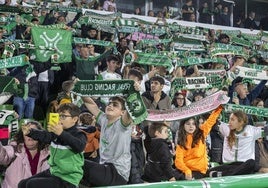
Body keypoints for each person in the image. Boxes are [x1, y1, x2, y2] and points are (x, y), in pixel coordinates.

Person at [18, 103, 87, 188]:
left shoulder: (79, 134)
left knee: (32, 184)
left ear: (75, 119)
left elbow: (79, 146)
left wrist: (61, 133)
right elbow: (45, 135)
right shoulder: (56, 132)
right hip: (54, 172)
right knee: (22, 184)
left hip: (68, 179)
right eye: (59, 116)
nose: (59, 119)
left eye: (63, 116)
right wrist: (30, 132)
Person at [81, 96, 133, 186]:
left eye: (115, 105)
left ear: (123, 112)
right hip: (104, 169)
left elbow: (130, 112)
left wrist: (133, 94)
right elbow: (90, 103)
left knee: (79, 163)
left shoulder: (123, 124)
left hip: (117, 173)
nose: (110, 106)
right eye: (109, 103)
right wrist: (78, 87)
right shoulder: (104, 119)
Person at [207, 110, 268, 177]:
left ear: (241, 122)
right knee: (209, 171)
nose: (229, 122)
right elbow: (211, 120)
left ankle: (223, 174)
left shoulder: (251, 131)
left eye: (232, 120)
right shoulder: (226, 128)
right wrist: (217, 109)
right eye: (229, 119)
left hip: (244, 165)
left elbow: (266, 130)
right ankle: (229, 174)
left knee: (251, 163)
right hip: (229, 165)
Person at [174, 105, 223, 180]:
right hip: (185, 170)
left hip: (199, 171)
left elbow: (211, 121)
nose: (191, 126)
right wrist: (187, 170)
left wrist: (219, 108)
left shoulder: (201, 133)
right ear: (183, 126)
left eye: (193, 124)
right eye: (188, 124)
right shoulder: (181, 141)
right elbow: (178, 161)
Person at [0, 121, 49, 188]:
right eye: (27, 132)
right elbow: (3, 156)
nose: (30, 136)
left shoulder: (48, 154)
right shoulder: (15, 148)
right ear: (22, 135)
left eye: (34, 132)